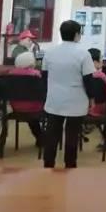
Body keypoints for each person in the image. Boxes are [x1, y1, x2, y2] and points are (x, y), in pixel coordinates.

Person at [41, 20, 95, 168]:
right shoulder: (83, 54)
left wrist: (45, 96)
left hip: (54, 100)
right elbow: (88, 79)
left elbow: (44, 77)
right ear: (77, 35)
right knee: (72, 135)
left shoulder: (50, 52)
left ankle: (48, 165)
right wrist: (92, 98)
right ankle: (70, 166)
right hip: (76, 101)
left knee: (52, 135)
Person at [7, 51, 44, 146]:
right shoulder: (36, 74)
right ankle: (42, 138)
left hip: (16, 107)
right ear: (31, 62)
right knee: (36, 114)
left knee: (30, 117)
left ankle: (40, 138)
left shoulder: (11, 74)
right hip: (35, 108)